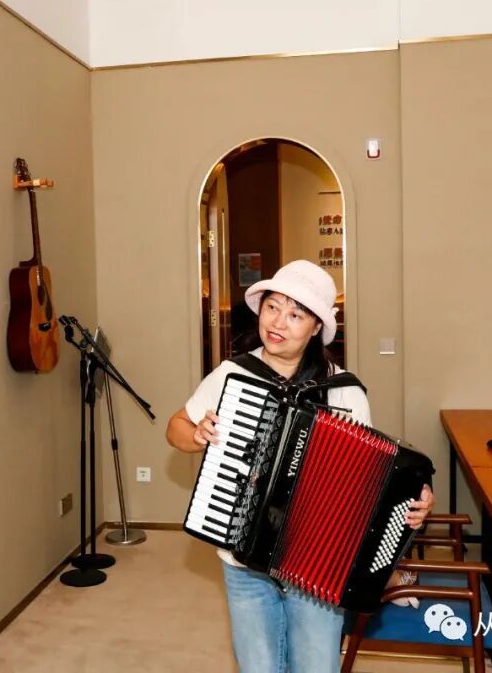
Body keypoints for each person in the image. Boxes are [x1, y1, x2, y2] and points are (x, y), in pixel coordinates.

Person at [166, 260, 434, 673]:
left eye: (296, 315)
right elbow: (176, 427)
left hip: (318, 568)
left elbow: (375, 481)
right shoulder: (233, 374)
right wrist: (197, 435)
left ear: (315, 328)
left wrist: (414, 502)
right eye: (273, 307)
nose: (278, 322)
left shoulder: (345, 392)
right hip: (243, 563)